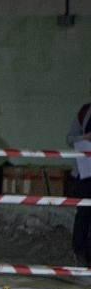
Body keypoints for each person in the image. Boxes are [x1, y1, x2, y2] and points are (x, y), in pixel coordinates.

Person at [67, 91, 91, 266]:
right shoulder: (85, 112)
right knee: (83, 213)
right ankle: (80, 254)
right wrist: (84, 138)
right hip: (85, 172)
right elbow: (69, 138)